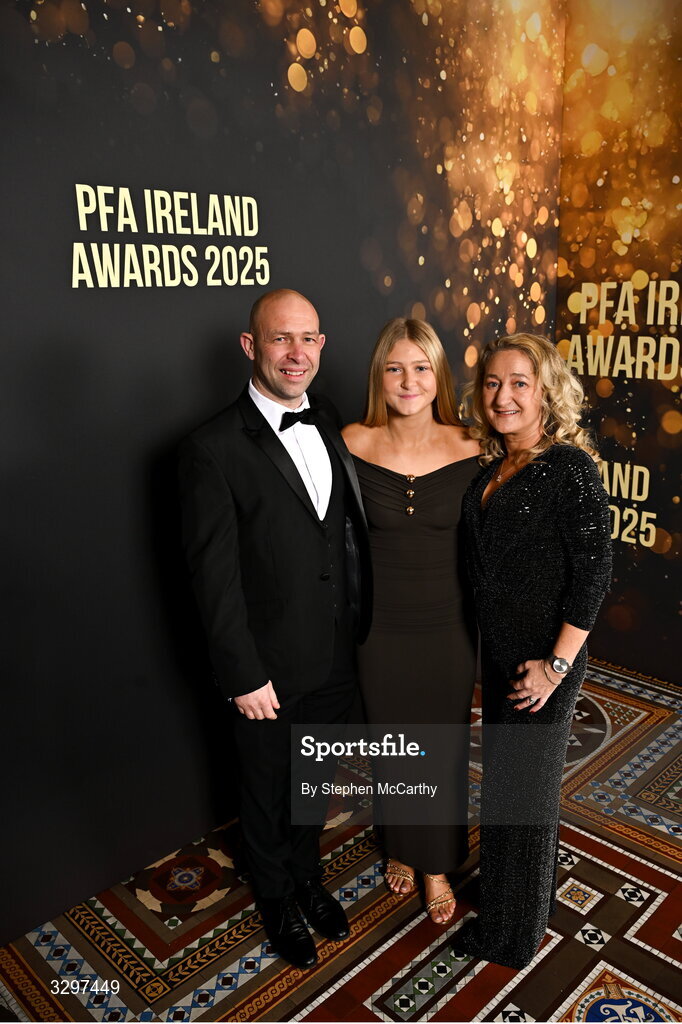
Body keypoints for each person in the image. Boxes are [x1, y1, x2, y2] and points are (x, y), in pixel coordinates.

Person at [178, 289, 372, 970]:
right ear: (250, 346)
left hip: (333, 655)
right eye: (281, 338)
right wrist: (242, 673)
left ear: (321, 345)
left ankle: (308, 879)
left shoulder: (329, 417)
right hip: (264, 670)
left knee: (313, 782)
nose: (297, 353)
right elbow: (214, 578)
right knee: (264, 793)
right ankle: (277, 899)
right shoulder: (211, 448)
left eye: (308, 338)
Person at [455, 332, 612, 969]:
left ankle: (510, 936)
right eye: (493, 383)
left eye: (519, 383)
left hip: (543, 663)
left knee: (523, 797)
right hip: (503, 657)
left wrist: (556, 667)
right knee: (509, 786)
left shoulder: (569, 468)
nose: (504, 396)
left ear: (546, 391)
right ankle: (515, 897)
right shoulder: (493, 467)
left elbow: (594, 575)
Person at [342, 318, 480, 925]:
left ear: (438, 376)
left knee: (442, 747)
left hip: (449, 628)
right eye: (395, 368)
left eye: (421, 368)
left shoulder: (473, 444)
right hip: (379, 631)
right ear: (379, 375)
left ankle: (435, 864)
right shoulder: (350, 442)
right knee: (392, 744)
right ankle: (401, 842)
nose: (408, 380)